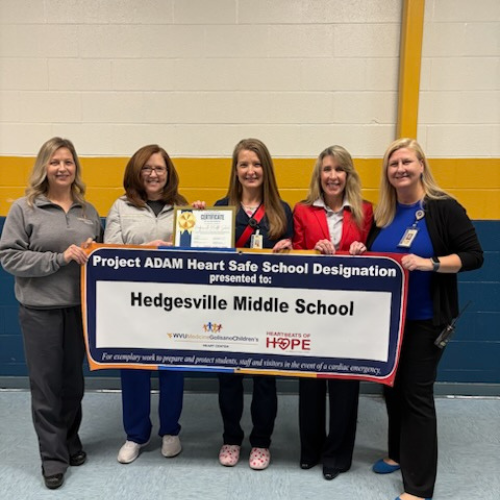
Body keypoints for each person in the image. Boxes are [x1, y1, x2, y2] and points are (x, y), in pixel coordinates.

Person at [350, 138, 483, 500]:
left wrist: (430, 264)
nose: (400, 169)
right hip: (388, 321)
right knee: (392, 388)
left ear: (421, 165)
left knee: (416, 394)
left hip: (427, 319)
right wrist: (362, 252)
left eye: (406, 162)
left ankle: (420, 488)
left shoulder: (444, 208)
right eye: (393, 164)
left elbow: (474, 256)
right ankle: (397, 454)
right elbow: (379, 260)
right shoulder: (385, 213)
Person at [0, 137, 102, 489]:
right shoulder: (24, 209)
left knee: (73, 385)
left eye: (68, 162)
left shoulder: (88, 211)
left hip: (78, 310)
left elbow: (102, 256)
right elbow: (9, 257)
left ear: (75, 167)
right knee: (46, 387)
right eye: (55, 161)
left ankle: (70, 441)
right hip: (39, 311)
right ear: (44, 166)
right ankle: (53, 459)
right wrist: (59, 258)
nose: (62, 168)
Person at [292, 145, 373, 480]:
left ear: (348, 174)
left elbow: (376, 258)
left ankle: (337, 455)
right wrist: (311, 251)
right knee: (310, 384)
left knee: (344, 385)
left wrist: (363, 251)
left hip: (350, 313)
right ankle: (310, 450)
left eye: (339, 169)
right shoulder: (302, 210)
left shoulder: (366, 211)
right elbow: (297, 254)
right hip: (311, 310)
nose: (333, 176)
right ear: (319, 174)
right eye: (327, 169)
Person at [104, 144, 188, 464]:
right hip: (132, 304)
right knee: (134, 369)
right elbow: (108, 253)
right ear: (136, 173)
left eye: (159, 168)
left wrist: (204, 221)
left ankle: (170, 431)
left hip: (174, 304)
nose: (154, 174)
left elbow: (196, 254)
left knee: (172, 368)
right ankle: (136, 435)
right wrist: (146, 250)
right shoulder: (121, 206)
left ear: (168, 173)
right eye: (147, 168)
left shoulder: (181, 206)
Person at [214, 138, 293, 470]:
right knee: (229, 378)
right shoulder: (221, 209)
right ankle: (231, 438)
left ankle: (261, 441)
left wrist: (290, 249)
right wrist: (198, 222)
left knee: (264, 378)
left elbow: (296, 262)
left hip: (267, 309)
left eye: (257, 164)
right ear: (235, 170)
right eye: (244, 164)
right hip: (228, 308)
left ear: (266, 169)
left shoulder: (281, 210)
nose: (250, 170)